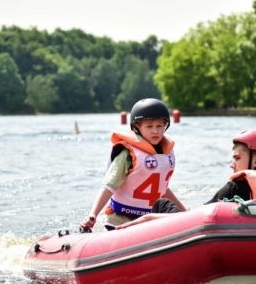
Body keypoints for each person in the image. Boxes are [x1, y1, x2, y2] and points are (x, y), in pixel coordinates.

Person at [117, 129, 256, 231]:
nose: (232, 165)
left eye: (237, 158)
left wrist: (138, 223)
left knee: (161, 203)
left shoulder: (237, 186)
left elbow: (200, 218)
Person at [80, 98, 186, 231]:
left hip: (152, 220)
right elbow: (109, 186)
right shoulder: (128, 154)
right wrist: (93, 214)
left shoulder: (166, 153)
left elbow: (162, 189)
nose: (155, 131)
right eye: (149, 126)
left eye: (160, 126)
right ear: (137, 127)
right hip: (122, 221)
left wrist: (185, 212)